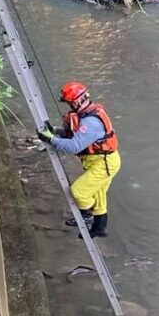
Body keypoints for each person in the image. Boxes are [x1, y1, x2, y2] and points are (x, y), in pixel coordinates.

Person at [37, 82, 120, 238]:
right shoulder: (88, 115)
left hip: (104, 163)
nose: (69, 106)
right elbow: (76, 136)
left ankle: (87, 214)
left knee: (79, 192)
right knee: (98, 193)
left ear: (76, 101)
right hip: (99, 160)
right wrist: (55, 131)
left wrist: (51, 139)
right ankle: (100, 227)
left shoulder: (90, 122)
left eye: (69, 103)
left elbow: (73, 146)